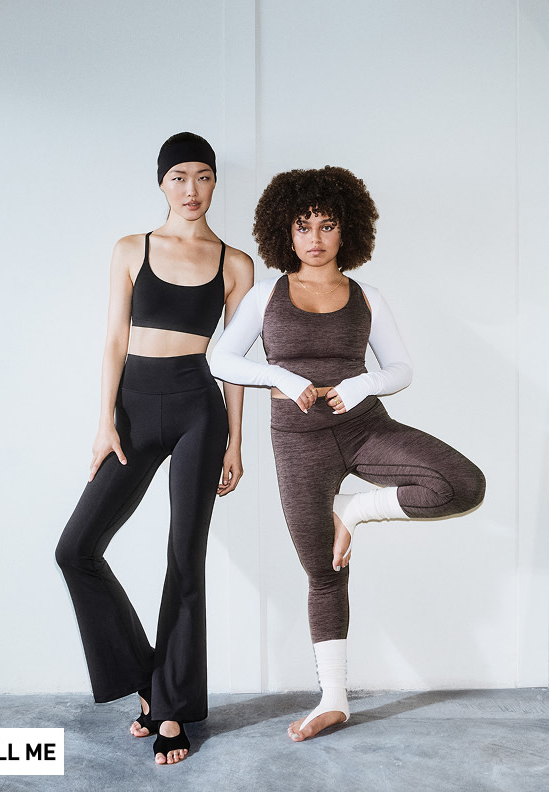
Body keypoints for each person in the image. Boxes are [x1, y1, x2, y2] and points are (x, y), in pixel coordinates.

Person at [210, 165, 485, 743]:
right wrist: (280, 379)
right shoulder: (266, 295)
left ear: (346, 231)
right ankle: (333, 701)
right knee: (324, 571)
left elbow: (400, 369)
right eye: (303, 226)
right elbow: (220, 359)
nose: (315, 237)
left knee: (463, 483)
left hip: (365, 430)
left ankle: (353, 511)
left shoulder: (368, 296)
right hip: (298, 442)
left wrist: (361, 386)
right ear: (284, 233)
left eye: (327, 225)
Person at [56, 132, 254, 765]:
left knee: (184, 559)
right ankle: (151, 682)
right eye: (179, 177)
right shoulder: (131, 249)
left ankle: (169, 709)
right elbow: (114, 339)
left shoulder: (235, 263)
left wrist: (235, 441)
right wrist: (104, 421)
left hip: (200, 408)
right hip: (134, 408)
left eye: (202, 177)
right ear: (162, 183)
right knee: (76, 549)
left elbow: (234, 363)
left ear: (215, 182)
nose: (191, 190)